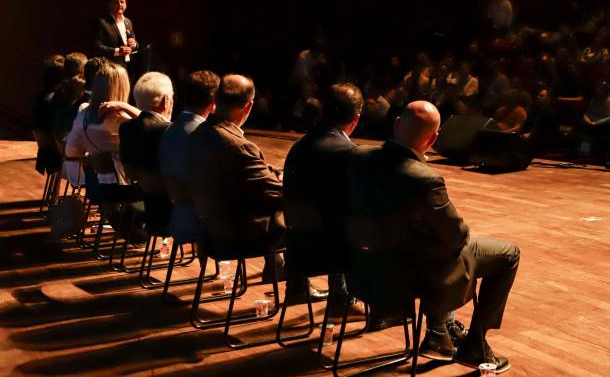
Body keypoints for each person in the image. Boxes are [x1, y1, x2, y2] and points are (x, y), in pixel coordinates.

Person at [347, 101, 519, 372]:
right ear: (434, 139)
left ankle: (440, 331)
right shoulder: (425, 179)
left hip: (365, 271)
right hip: (413, 277)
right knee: (508, 254)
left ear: (396, 125)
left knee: (428, 242)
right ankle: (473, 344)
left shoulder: (357, 158)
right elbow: (456, 236)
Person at [186, 74, 285, 281]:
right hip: (239, 235)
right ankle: (299, 287)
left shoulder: (197, 136)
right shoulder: (239, 146)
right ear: (248, 107)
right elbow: (275, 193)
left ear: (215, 102)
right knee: (303, 213)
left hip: (211, 232)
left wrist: (270, 173)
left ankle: (277, 268)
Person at [282, 84, 364, 310]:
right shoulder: (347, 153)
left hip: (298, 250)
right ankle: (350, 298)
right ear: (355, 119)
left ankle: (303, 288)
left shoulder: (299, 147)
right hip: (332, 253)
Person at [159, 70, 220, 244]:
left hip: (177, 217)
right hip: (204, 223)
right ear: (213, 104)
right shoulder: (206, 136)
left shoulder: (169, 130)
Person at [117, 72, 175, 229]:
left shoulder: (126, 128)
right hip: (170, 211)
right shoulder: (170, 132)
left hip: (137, 203)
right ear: (166, 100)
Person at [64, 62, 134, 185]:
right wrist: (124, 106)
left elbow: (71, 152)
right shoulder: (126, 121)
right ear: (123, 87)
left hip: (96, 185)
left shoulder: (83, 116)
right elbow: (154, 121)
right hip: (128, 188)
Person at [95, 0, 139, 66]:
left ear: (126, 5)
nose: (119, 4)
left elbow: (135, 43)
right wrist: (118, 51)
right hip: (110, 66)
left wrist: (134, 44)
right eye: (116, 2)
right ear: (110, 5)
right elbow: (97, 47)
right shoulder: (102, 23)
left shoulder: (128, 22)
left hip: (128, 65)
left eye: (122, 2)